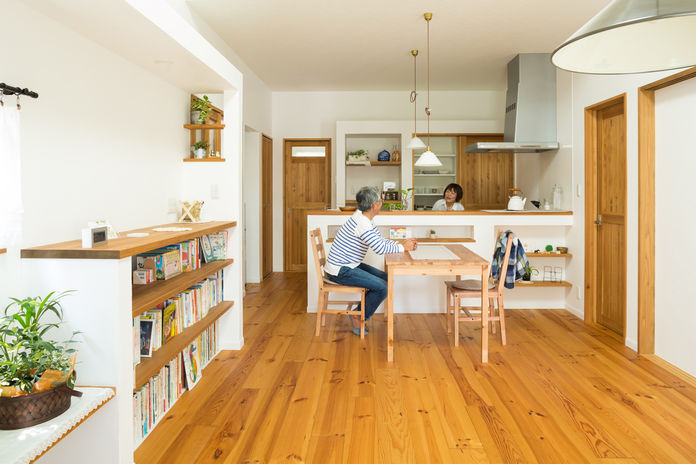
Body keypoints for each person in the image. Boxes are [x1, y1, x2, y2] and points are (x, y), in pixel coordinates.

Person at [325, 186, 418, 335]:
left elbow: (379, 240)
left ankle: (360, 311)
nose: (382, 203)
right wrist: (402, 247)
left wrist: (401, 244)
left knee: (387, 279)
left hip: (349, 265)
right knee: (383, 287)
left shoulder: (362, 217)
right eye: (380, 201)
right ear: (375, 205)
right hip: (341, 270)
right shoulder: (362, 223)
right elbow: (379, 248)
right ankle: (358, 316)